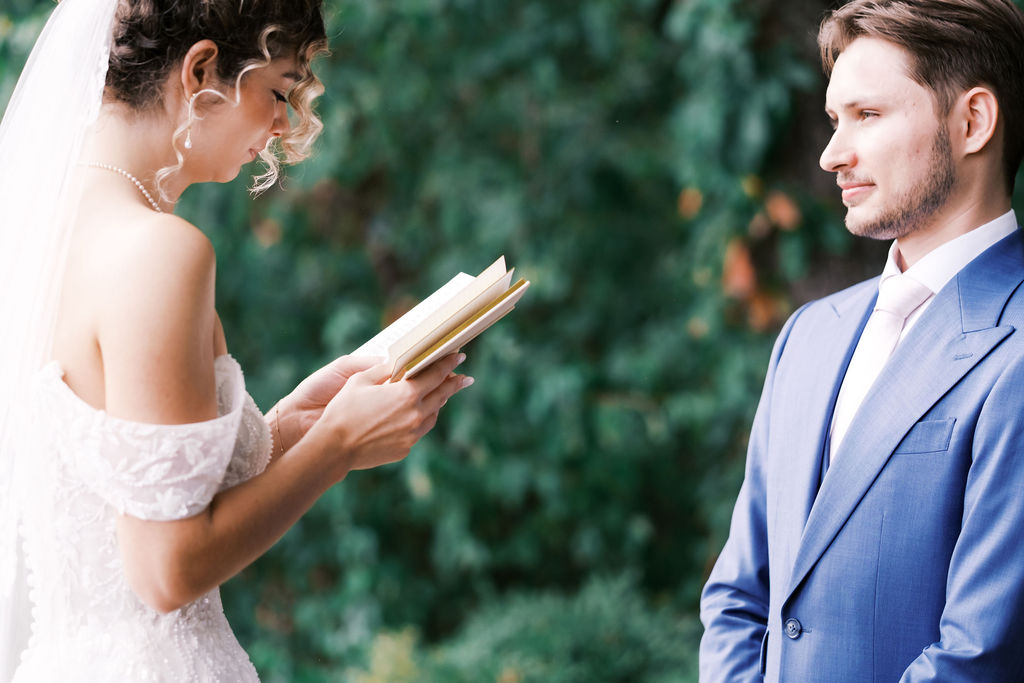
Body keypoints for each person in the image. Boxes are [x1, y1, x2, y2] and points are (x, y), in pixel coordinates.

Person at [0, 0, 473, 680]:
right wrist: (338, 446)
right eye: (278, 91)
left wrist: (291, 424)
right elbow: (166, 568)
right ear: (201, 71)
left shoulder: (43, 238)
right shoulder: (158, 252)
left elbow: (124, 482)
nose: (284, 124)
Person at [699, 0, 1024, 679]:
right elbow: (738, 597)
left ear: (973, 122)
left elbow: (980, 655)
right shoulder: (810, 335)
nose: (831, 154)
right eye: (833, 119)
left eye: (867, 116)